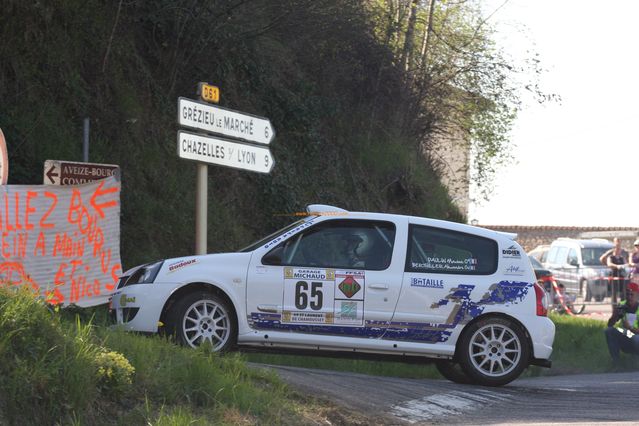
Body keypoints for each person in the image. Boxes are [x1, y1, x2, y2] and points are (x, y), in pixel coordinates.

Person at [605, 281, 639, 363]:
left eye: (632, 295)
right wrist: (615, 316)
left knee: (635, 337)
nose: (629, 297)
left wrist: (629, 328)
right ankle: (616, 363)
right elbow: (610, 325)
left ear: (637, 296)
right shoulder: (622, 305)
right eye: (627, 294)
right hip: (626, 335)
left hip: (636, 336)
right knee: (609, 331)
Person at [603, 238, 629, 302]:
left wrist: (625, 266)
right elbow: (609, 264)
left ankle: (622, 307)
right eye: (616, 248)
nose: (618, 250)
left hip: (621, 277)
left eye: (619, 248)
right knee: (614, 293)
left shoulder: (622, 257)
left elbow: (626, 263)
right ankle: (614, 308)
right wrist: (617, 266)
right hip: (613, 276)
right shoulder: (611, 257)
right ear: (614, 249)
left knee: (623, 293)